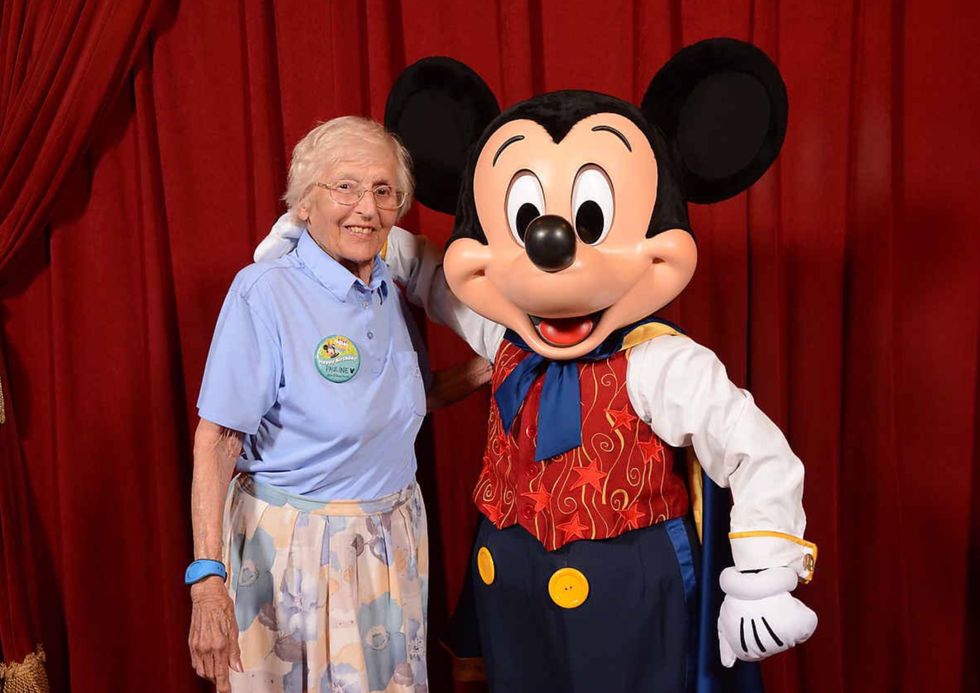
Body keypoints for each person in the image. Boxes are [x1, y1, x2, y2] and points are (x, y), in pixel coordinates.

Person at [186, 115, 489, 693]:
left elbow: (393, 407)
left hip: (391, 542)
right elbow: (217, 438)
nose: (366, 209)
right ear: (304, 203)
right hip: (293, 553)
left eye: (383, 191)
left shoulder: (387, 290)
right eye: (345, 186)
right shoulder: (265, 292)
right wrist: (207, 580)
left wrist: (485, 370)